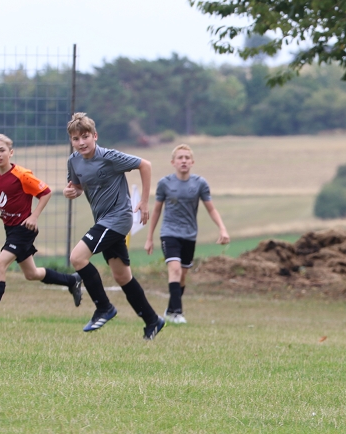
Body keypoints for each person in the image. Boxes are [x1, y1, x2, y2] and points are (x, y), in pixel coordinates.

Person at [63, 112, 164, 340]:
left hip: (118, 218)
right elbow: (77, 187)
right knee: (122, 276)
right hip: (103, 221)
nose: (81, 142)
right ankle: (152, 320)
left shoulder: (109, 157)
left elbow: (145, 165)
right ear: (72, 140)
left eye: (85, 136)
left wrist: (145, 201)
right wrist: (71, 192)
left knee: (77, 258)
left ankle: (104, 308)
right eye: (76, 138)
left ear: (95, 136)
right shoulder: (73, 161)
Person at [144, 144, 229, 323]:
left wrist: (222, 228)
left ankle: (170, 309)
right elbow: (157, 210)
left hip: (189, 235)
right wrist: (149, 238)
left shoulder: (200, 184)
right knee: (174, 269)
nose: (183, 161)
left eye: (187, 158)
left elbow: (211, 209)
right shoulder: (165, 184)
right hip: (169, 233)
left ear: (192, 162)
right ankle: (177, 314)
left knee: (182, 276)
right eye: (180, 158)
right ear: (173, 162)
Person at [0, 134, 82, 311]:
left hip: (24, 228)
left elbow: (46, 192)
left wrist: (34, 216)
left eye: (1, 150)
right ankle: (72, 280)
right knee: (31, 274)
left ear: (10, 153)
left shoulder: (21, 175)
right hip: (10, 228)